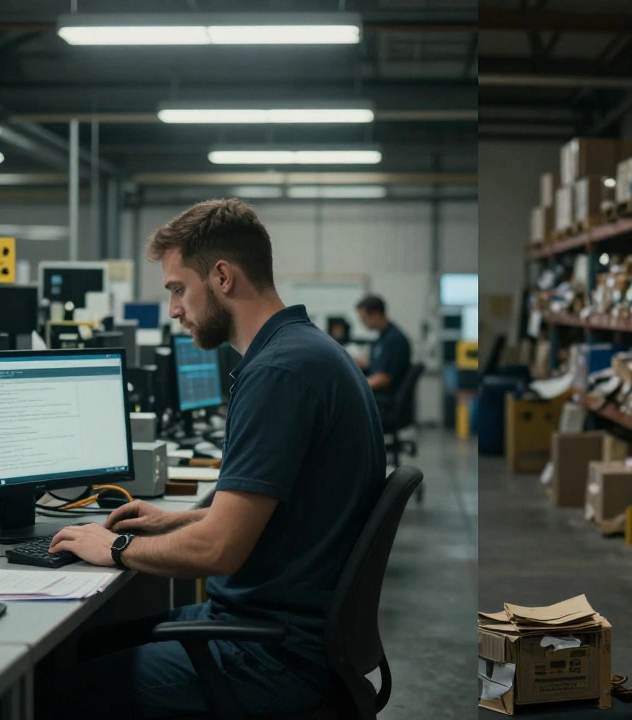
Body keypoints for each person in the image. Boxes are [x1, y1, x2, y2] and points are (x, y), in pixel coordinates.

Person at [35, 199, 387, 719]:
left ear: (222, 276)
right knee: (86, 645)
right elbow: (288, 506)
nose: (174, 308)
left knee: (38, 694)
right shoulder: (309, 351)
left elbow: (220, 550)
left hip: (269, 656)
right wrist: (178, 520)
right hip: (286, 632)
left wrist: (115, 546)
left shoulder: (279, 373)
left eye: (178, 288)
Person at [354, 294, 412, 411]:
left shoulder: (394, 340)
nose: (363, 324)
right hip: (380, 397)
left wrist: (355, 386)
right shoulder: (383, 338)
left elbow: (383, 379)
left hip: (384, 401)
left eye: (364, 319)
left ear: (376, 314)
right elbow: (378, 365)